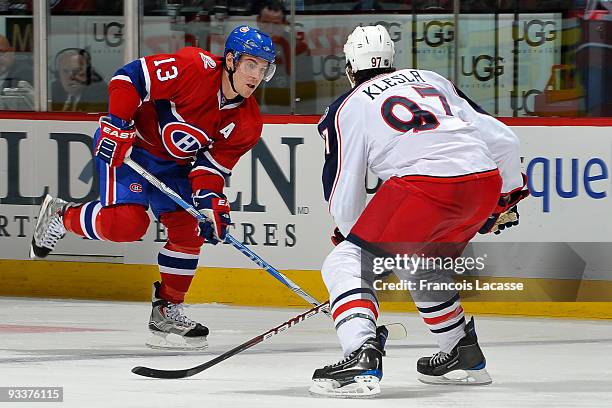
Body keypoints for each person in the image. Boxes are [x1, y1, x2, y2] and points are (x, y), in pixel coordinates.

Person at [309, 25, 529, 397]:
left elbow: (343, 187)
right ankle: (460, 351)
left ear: (350, 67)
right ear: (391, 61)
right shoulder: (431, 80)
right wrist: (506, 196)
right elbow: (505, 140)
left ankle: (359, 354)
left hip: (425, 186)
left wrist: (351, 236)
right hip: (481, 180)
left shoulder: (346, 106)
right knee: (421, 260)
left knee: (344, 263)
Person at [30, 25, 276, 350]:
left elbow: (210, 168)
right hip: (131, 147)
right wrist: (117, 123)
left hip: (174, 168)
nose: (256, 75)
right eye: (251, 64)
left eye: (264, 68)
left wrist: (210, 200)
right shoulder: (193, 67)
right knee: (126, 226)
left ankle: (166, 310)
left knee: (190, 230)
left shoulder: (248, 122)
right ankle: (63, 216)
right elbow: (128, 78)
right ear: (230, 60)